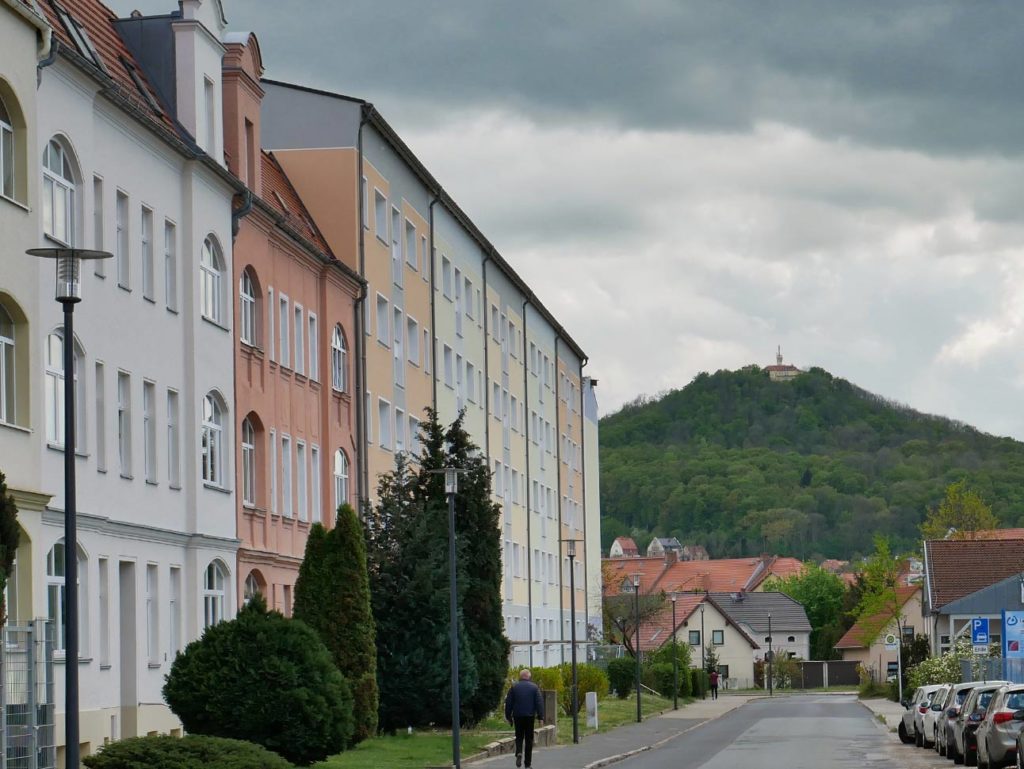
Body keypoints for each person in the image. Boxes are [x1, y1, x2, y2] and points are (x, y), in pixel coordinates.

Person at [505, 669, 545, 768]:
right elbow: (539, 703)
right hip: (529, 716)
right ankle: (527, 764)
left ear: (520, 676)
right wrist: (540, 717)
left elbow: (508, 703)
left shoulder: (514, 687)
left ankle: (519, 752)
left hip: (518, 716)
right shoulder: (534, 687)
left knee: (519, 736)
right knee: (529, 740)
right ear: (528, 677)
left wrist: (508, 716)